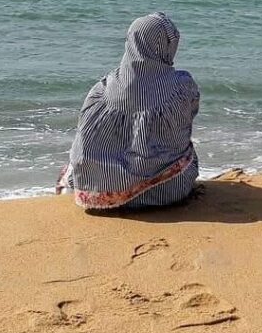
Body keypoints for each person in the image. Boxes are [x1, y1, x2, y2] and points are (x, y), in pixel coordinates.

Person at [56, 12, 200, 210]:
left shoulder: (104, 88)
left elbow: (85, 135)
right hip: (168, 191)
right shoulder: (183, 85)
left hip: (98, 194)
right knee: (184, 148)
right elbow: (190, 116)